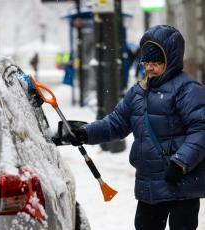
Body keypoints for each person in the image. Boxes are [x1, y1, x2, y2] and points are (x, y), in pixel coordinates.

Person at [67, 25, 205, 230]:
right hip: (149, 186)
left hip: (180, 184)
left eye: (156, 62)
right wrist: (86, 133)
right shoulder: (137, 93)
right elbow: (116, 123)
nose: (149, 68)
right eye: (146, 62)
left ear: (171, 60)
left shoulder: (187, 90)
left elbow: (201, 129)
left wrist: (180, 162)